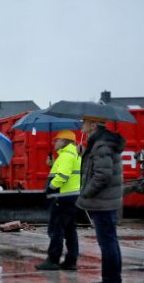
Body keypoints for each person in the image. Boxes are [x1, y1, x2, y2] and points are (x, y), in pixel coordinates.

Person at [76, 118, 125, 283]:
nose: (81, 124)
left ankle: (111, 279)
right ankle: (112, 278)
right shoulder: (100, 143)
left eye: (84, 122)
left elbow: (102, 175)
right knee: (110, 241)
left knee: (107, 243)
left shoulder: (101, 145)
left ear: (93, 125)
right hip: (106, 201)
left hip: (103, 201)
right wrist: (84, 154)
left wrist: (86, 193)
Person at [36, 130, 82, 271]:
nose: (54, 143)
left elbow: (63, 176)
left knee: (56, 230)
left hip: (62, 198)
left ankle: (53, 260)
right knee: (70, 231)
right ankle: (71, 261)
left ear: (64, 141)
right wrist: (52, 164)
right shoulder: (74, 154)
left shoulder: (66, 156)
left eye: (57, 140)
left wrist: (51, 186)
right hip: (73, 197)